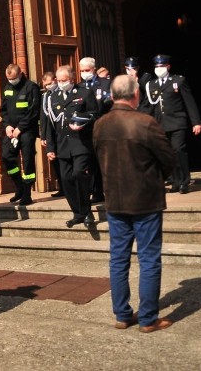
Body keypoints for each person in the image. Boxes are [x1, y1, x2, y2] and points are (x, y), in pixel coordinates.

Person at [93, 75, 176, 333]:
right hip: (145, 200)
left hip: (116, 199)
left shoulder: (100, 125)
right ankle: (148, 319)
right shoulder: (145, 122)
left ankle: (122, 314)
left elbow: (100, 158)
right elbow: (169, 160)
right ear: (135, 95)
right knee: (149, 258)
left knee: (118, 258)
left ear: (112, 95)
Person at [41, 65, 100, 228]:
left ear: (72, 79)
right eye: (58, 81)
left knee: (79, 174)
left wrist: (83, 123)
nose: (60, 84)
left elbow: (95, 115)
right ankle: (77, 212)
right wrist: (50, 148)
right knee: (66, 179)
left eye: (64, 80)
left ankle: (87, 212)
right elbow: (50, 125)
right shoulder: (53, 97)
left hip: (80, 143)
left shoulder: (84, 93)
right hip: (62, 145)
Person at [144, 54, 201, 194]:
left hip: (177, 122)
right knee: (167, 154)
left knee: (178, 150)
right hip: (160, 124)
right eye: (157, 66)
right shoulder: (151, 84)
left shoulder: (178, 81)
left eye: (162, 66)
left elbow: (189, 102)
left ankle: (184, 182)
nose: (159, 69)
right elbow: (148, 106)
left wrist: (196, 122)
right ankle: (175, 182)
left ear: (168, 66)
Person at [0, 63, 41, 205]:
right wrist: (7, 126)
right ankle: (19, 187)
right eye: (9, 79)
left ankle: (27, 194)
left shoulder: (31, 87)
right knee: (7, 156)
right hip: (11, 131)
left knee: (27, 161)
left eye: (14, 78)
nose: (11, 81)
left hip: (26, 131)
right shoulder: (8, 88)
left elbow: (34, 111)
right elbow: (3, 110)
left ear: (20, 74)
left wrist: (21, 127)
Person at [79, 56, 111, 203]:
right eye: (82, 71)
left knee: (105, 161)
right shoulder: (79, 87)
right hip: (87, 131)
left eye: (87, 70)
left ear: (93, 69)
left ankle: (109, 189)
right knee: (91, 162)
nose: (85, 73)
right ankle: (96, 191)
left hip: (104, 128)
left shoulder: (105, 83)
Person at [40, 72, 64, 198]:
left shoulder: (62, 92)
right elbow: (43, 117)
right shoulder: (45, 96)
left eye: (50, 83)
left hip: (62, 130)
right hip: (50, 132)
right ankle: (62, 187)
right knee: (54, 160)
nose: (48, 86)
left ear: (55, 80)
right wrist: (43, 136)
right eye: (46, 85)